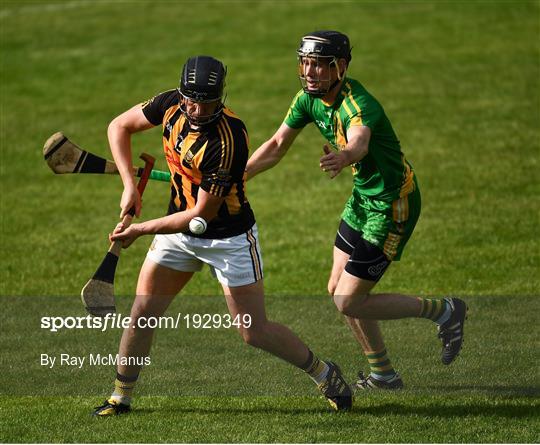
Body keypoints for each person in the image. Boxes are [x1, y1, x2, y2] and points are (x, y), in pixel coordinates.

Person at [92, 55, 352, 416]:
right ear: (182, 94)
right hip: (178, 232)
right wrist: (128, 187)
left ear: (220, 96)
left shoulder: (228, 140)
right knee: (142, 313)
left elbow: (200, 214)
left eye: (208, 101)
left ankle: (324, 373)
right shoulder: (169, 104)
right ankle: (121, 397)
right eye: (193, 100)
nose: (199, 109)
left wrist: (139, 229)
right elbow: (119, 127)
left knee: (253, 331)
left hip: (228, 238)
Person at [246, 31, 467, 390]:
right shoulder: (306, 99)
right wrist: (239, 178)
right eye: (306, 63)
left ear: (341, 67)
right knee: (337, 288)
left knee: (348, 299)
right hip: (363, 200)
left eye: (319, 64)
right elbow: (275, 145)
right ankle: (383, 374)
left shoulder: (358, 104)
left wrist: (345, 156)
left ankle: (444, 311)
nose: (310, 72)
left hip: (392, 205)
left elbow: (360, 140)